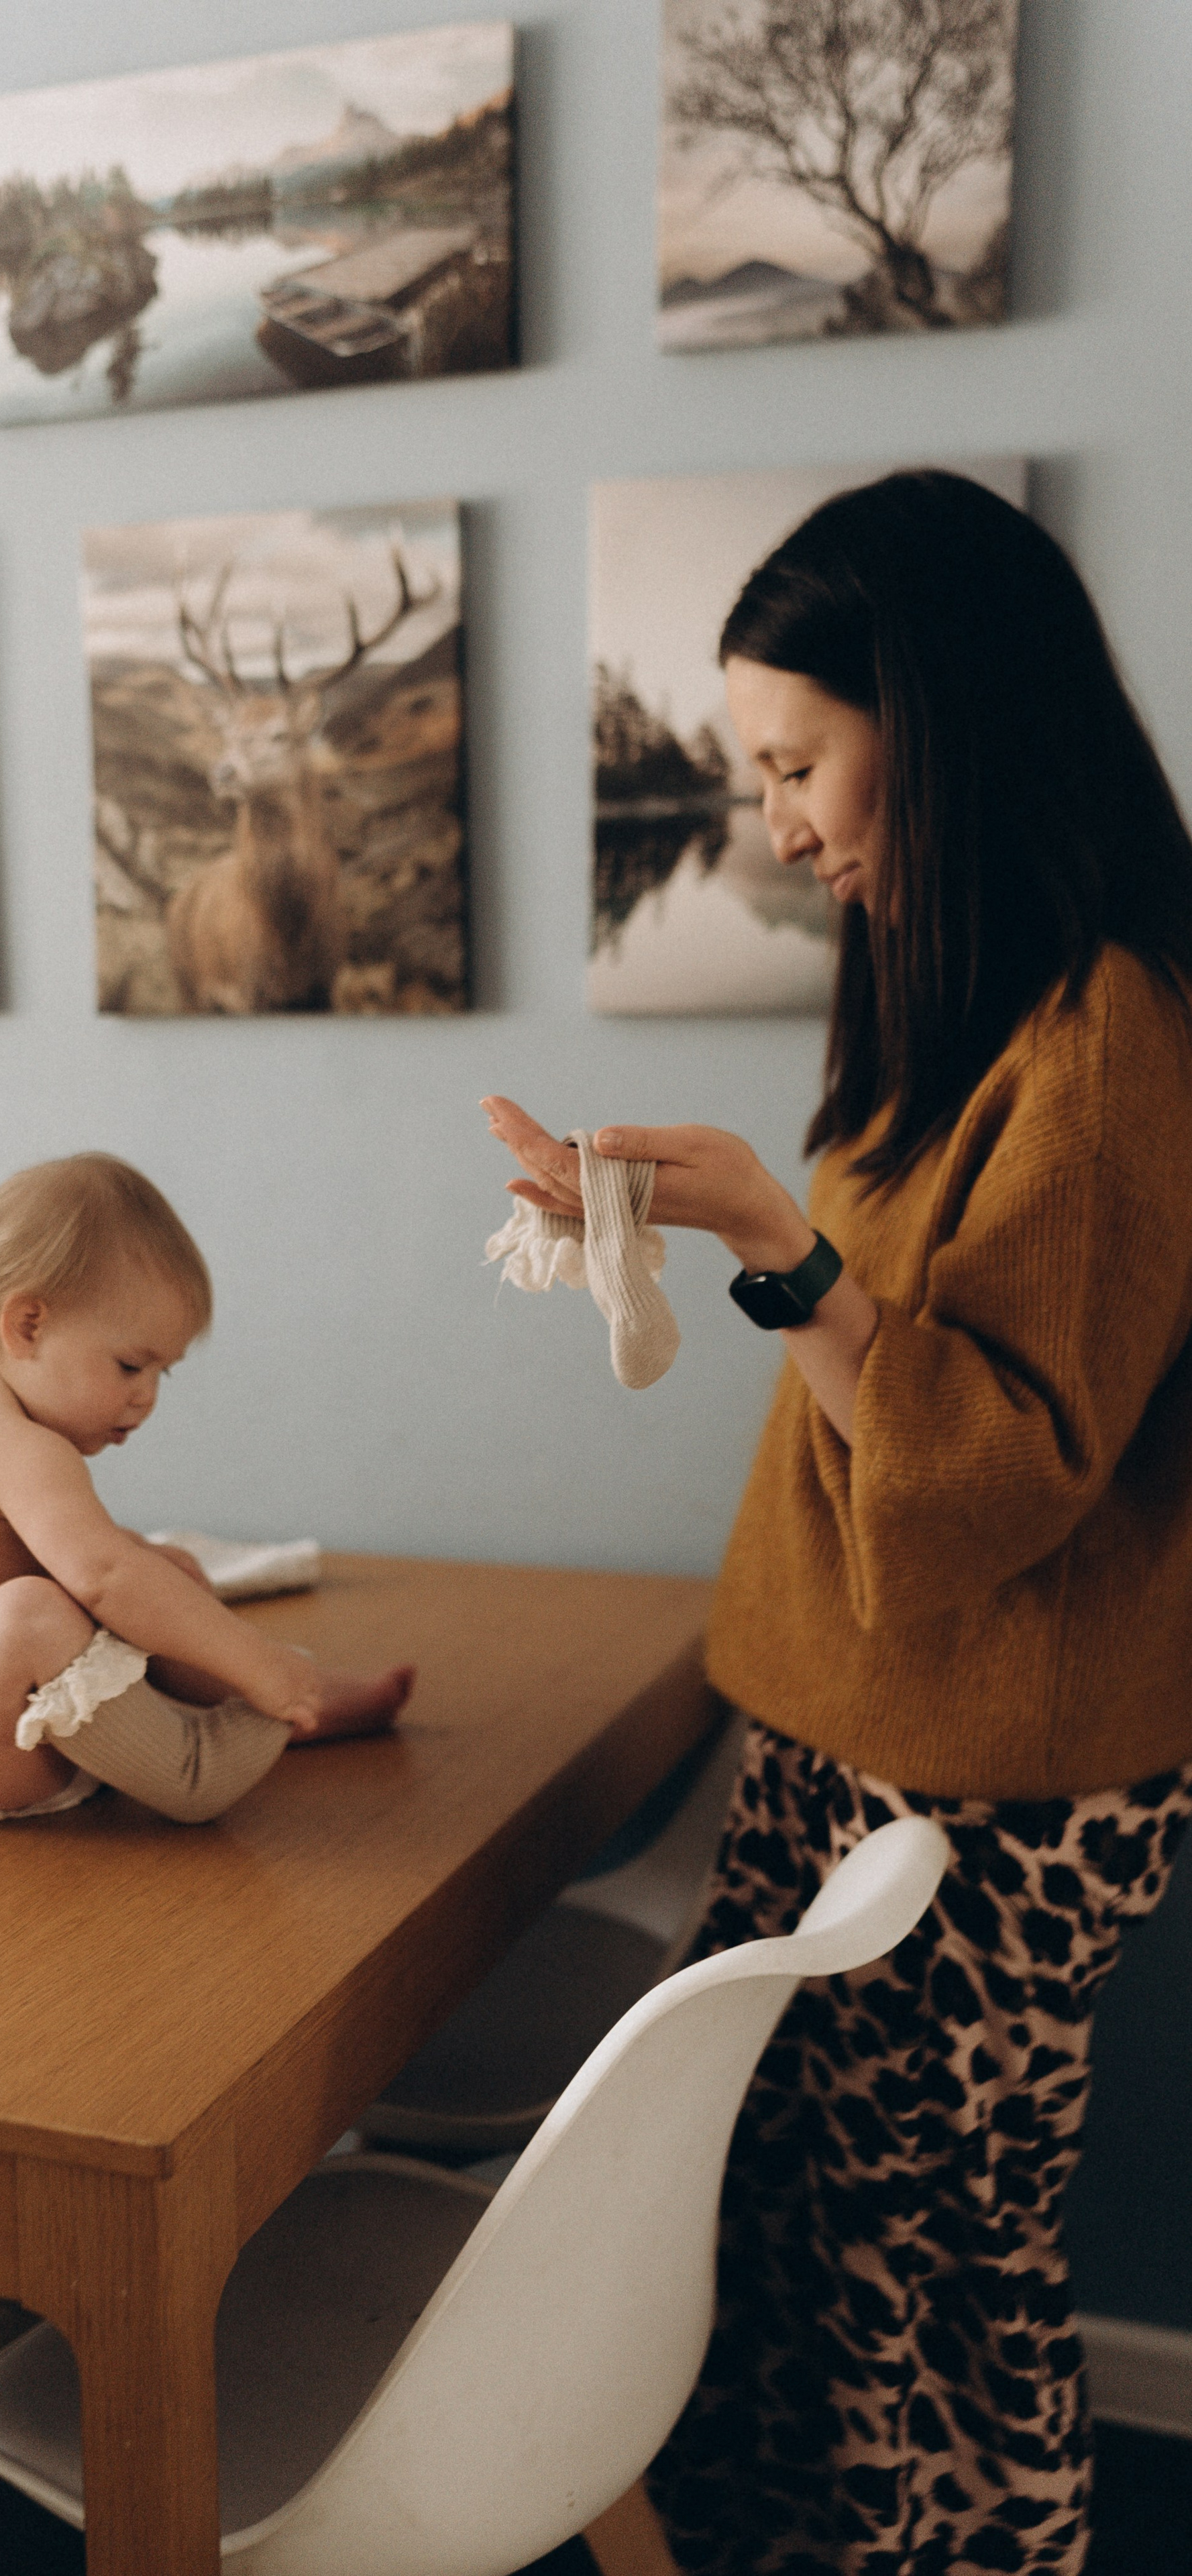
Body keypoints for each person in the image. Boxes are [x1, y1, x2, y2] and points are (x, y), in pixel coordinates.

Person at [483, 470, 1192, 2576]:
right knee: (809, 2250)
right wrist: (709, 1230)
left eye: (797, 764)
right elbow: (896, 1370)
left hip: (988, 1781)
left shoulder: (1105, 1036)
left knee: (928, 2290)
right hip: (864, 1733)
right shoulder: (961, 996)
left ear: (940, 716)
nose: (777, 826)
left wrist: (776, 1251)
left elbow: (995, 1469)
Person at [0, 1151, 413, 1825]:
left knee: (162, 1575)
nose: (146, 1398)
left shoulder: (2, 1421)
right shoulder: (11, 1443)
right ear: (28, 1325)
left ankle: (299, 1697)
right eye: (129, 1366)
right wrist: (250, 1657)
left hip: (12, 1705)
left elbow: (110, 1569)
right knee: (41, 1610)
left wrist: (173, 1587)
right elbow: (103, 1578)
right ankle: (196, 1761)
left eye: (161, 1374)